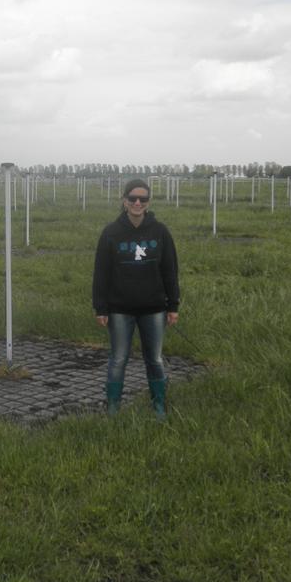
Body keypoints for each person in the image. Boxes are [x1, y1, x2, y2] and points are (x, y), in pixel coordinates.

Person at [92, 178, 180, 419]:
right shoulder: (111, 233)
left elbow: (170, 270)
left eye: (142, 198)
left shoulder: (160, 231)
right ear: (124, 201)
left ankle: (159, 406)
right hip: (120, 309)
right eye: (132, 198)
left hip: (154, 309)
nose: (137, 202)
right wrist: (101, 307)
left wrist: (173, 305)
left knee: (154, 359)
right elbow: (101, 273)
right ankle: (113, 407)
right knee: (118, 358)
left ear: (148, 202)